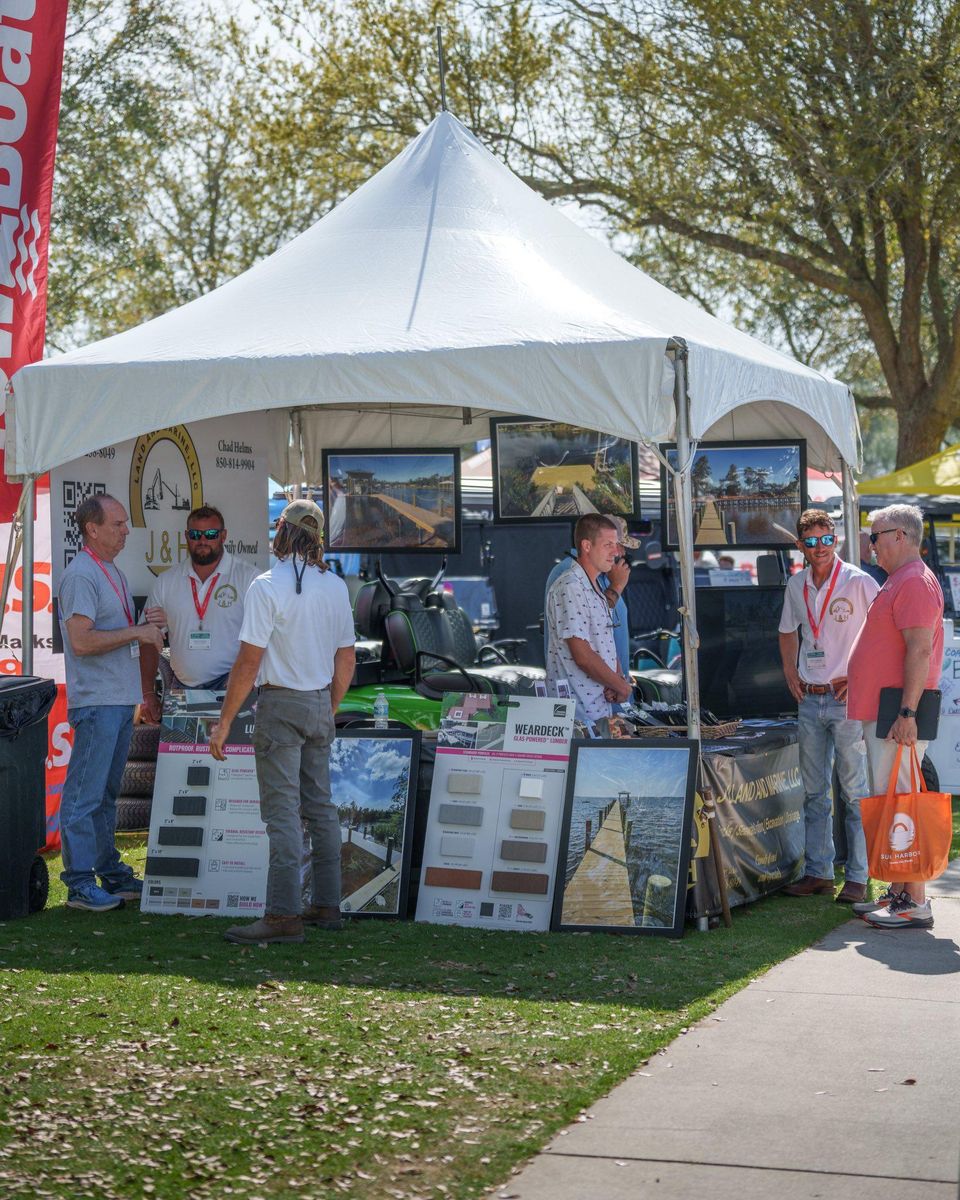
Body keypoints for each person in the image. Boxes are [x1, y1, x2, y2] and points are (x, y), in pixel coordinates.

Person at [209, 499, 356, 945]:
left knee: (283, 815)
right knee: (321, 808)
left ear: (282, 531)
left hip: (280, 704)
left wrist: (224, 722)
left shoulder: (267, 585)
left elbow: (248, 662)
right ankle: (327, 905)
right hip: (318, 701)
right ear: (318, 538)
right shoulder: (335, 586)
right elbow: (346, 658)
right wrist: (328, 706)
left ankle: (282, 915)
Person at [57, 495, 164, 911]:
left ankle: (111, 873)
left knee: (105, 795)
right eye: (117, 524)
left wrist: (143, 627)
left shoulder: (111, 571)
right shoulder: (82, 575)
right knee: (85, 795)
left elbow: (112, 634)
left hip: (117, 699)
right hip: (98, 701)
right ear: (92, 529)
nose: (125, 531)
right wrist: (137, 632)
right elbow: (82, 642)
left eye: (124, 523)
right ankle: (80, 883)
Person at [847, 503, 945, 929]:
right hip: (888, 711)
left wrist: (907, 712)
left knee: (904, 803)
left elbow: (919, 650)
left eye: (875, 536)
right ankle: (901, 892)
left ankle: (914, 901)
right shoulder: (902, 578)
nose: (871, 545)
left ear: (900, 536)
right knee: (894, 802)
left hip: (896, 714)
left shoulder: (914, 581)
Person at [779, 509, 880, 903]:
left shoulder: (858, 581)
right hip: (810, 698)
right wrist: (790, 671)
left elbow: (882, 633)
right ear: (800, 545)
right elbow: (787, 631)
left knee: (854, 792)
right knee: (814, 793)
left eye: (826, 540)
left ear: (834, 540)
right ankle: (819, 872)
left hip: (847, 700)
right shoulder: (796, 584)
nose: (819, 548)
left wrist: (860, 678)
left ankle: (858, 876)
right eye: (811, 541)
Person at [138, 504, 260, 716]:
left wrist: (250, 679)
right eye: (196, 534)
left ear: (223, 536)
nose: (203, 540)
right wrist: (147, 693)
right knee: (179, 740)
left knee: (230, 740)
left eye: (211, 534)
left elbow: (265, 638)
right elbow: (147, 640)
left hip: (234, 687)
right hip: (182, 688)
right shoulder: (166, 581)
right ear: (187, 536)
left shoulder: (249, 578)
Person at [545, 513, 632, 725]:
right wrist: (622, 687)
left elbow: (603, 640)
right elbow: (582, 655)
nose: (616, 552)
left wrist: (617, 679)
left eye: (617, 545)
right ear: (586, 546)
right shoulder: (571, 585)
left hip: (597, 711)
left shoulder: (593, 586)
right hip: (575, 717)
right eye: (609, 545)